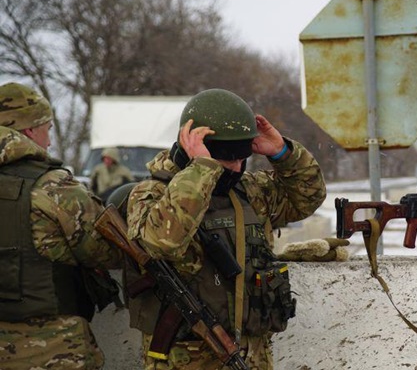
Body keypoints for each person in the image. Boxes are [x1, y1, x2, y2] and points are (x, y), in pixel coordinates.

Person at [124, 88, 327, 369]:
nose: (236, 167)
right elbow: (162, 242)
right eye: (226, 158)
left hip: (251, 355)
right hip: (184, 358)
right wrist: (201, 170)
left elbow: (307, 198)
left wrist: (283, 153)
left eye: (241, 157)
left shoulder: (249, 191)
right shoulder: (152, 192)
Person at [0, 82, 123, 370]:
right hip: (52, 350)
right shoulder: (53, 188)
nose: (50, 141)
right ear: (30, 130)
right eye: (49, 129)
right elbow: (110, 252)